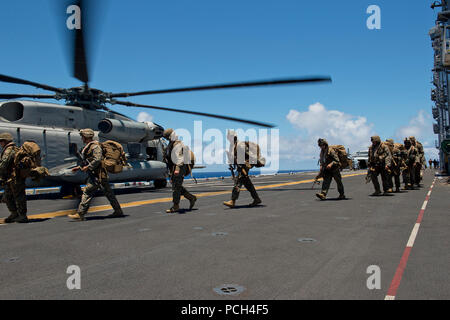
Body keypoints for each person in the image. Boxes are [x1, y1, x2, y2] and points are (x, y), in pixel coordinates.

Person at [68, 129, 124, 221]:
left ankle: (80, 213)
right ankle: (118, 211)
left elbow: (97, 159)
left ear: (86, 137)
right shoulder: (89, 146)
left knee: (87, 192)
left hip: (98, 174)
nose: (82, 138)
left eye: (82, 136)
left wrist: (88, 167)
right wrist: (79, 168)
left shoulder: (95, 146)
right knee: (109, 193)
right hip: (97, 174)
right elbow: (88, 160)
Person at [223, 131, 262, 208]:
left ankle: (232, 201)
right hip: (240, 167)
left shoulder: (240, 145)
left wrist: (257, 162)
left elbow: (250, 155)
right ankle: (256, 199)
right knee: (248, 184)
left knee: (237, 183)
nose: (229, 139)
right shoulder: (232, 146)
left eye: (230, 137)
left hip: (244, 167)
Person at [162, 128, 197, 213]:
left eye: (167, 137)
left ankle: (176, 206)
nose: (167, 139)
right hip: (174, 168)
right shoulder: (170, 145)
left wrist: (177, 170)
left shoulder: (178, 144)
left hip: (180, 167)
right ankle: (191, 198)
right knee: (176, 186)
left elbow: (180, 158)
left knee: (176, 188)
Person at [0, 133, 28, 223]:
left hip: (14, 178)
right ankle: (14, 214)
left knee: (18, 197)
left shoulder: (9, 150)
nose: (0, 143)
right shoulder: (14, 149)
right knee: (8, 197)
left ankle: (22, 216)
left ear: (5, 141)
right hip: (11, 178)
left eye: (1, 141)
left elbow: (3, 164)